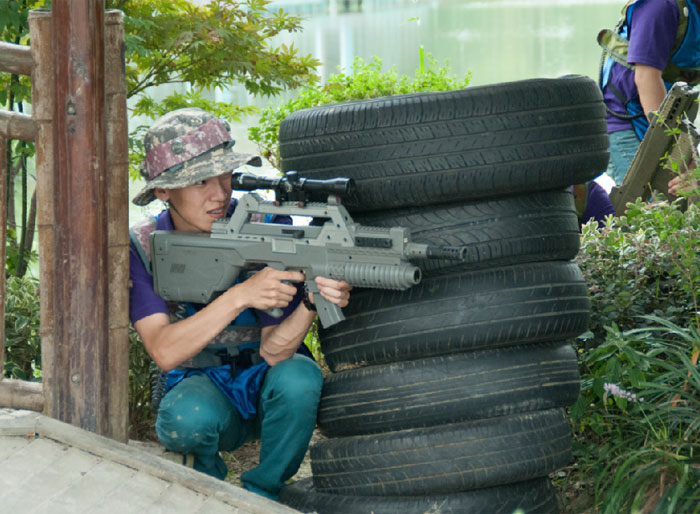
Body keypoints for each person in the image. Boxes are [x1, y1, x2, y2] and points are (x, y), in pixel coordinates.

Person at [128, 108, 352, 500]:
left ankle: (262, 495)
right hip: (201, 389)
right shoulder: (145, 247)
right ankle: (207, 492)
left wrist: (312, 302)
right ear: (164, 190)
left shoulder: (264, 224)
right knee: (186, 419)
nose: (219, 194)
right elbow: (163, 351)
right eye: (199, 181)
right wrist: (240, 296)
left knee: (300, 378)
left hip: (267, 387)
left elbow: (275, 349)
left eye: (226, 176)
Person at [598, 0, 700, 185]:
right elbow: (646, 78)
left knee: (687, 196)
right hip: (628, 122)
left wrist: (687, 154)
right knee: (651, 206)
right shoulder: (660, 5)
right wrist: (679, 151)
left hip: (669, 122)